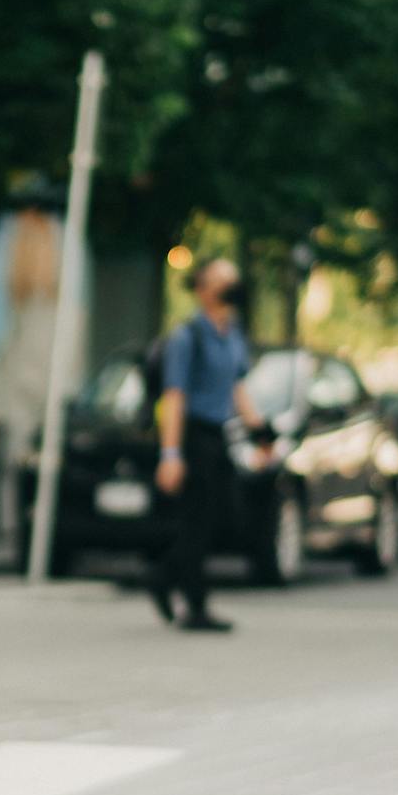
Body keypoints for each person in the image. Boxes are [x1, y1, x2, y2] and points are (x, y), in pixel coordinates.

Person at [148, 258, 268, 631]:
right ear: (203, 289)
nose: (231, 284)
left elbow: (237, 388)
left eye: (233, 277)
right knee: (197, 522)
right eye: (221, 279)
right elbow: (174, 396)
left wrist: (261, 433)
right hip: (192, 435)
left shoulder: (232, 333)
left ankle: (164, 577)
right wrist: (170, 454)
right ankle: (195, 606)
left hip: (219, 435)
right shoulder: (188, 337)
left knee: (223, 518)